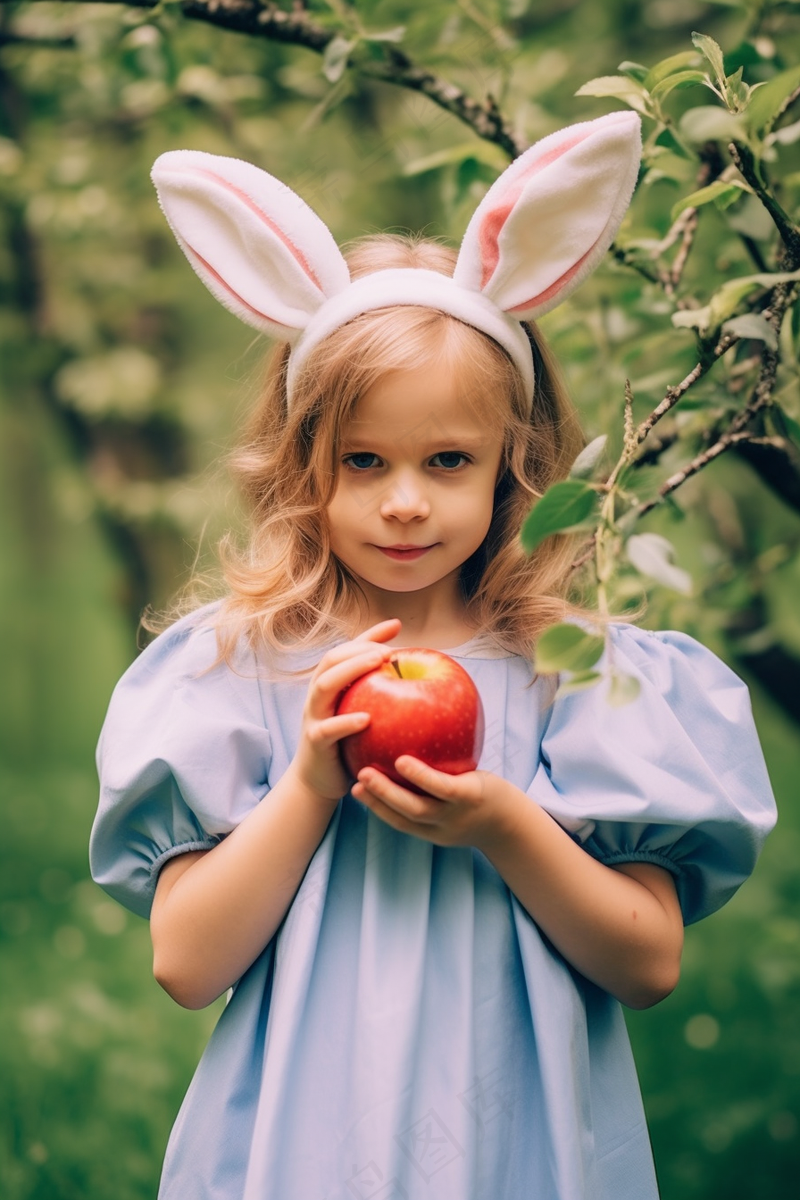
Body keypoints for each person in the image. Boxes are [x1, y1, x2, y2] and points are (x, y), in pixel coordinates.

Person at [90, 113, 777, 1200]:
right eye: (361, 460)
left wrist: (505, 821)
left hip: (523, 1143)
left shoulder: (576, 673)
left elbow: (645, 963)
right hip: (301, 1145)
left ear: (514, 459)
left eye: (446, 459)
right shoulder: (246, 669)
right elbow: (187, 964)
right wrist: (314, 780)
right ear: (298, 459)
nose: (403, 502)